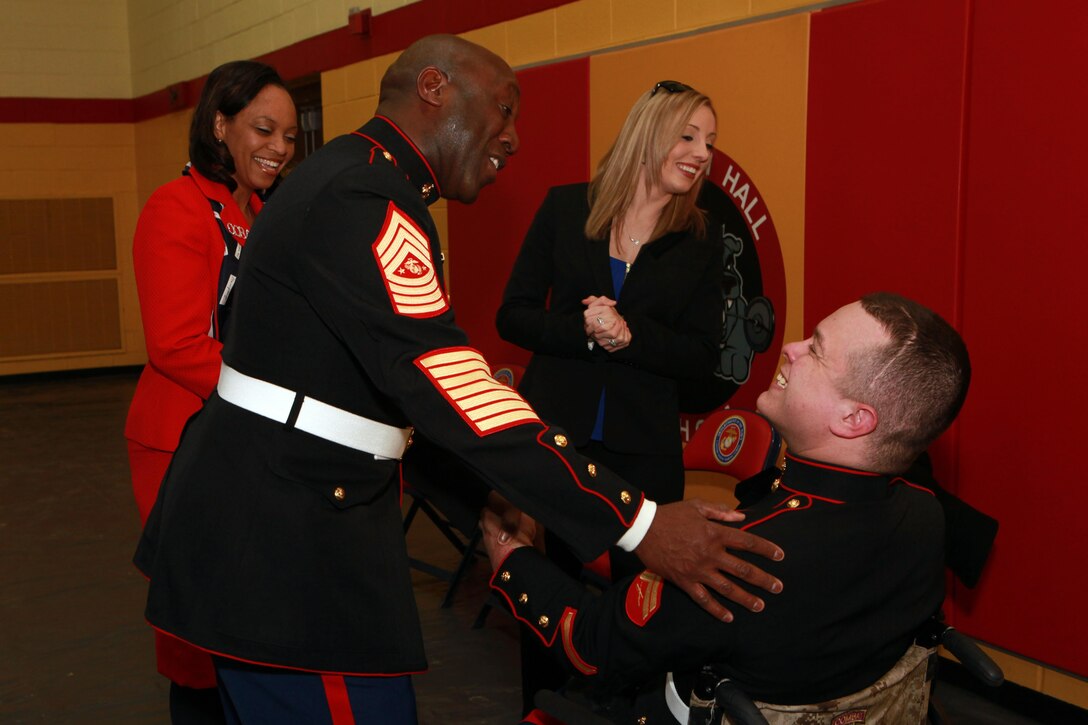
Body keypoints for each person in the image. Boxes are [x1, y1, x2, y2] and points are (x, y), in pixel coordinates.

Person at [134, 35, 785, 723]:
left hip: (268, 531)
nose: (512, 138)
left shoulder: (357, 180)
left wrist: (485, 494)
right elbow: (451, 388)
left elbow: (376, 395)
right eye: (503, 111)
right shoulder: (367, 197)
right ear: (435, 90)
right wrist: (640, 522)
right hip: (291, 556)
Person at [482, 291, 971, 723]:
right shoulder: (926, 516)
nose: (791, 349)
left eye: (815, 351)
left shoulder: (737, 556)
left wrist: (511, 554)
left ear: (853, 419)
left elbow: (588, 645)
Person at [495, 79, 722, 714]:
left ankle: (631, 712)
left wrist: (630, 338)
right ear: (650, 134)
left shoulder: (701, 237)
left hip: (644, 449)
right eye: (688, 135)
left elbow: (703, 359)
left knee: (645, 608)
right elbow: (512, 316)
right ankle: (543, 709)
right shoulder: (567, 208)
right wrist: (583, 333)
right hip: (555, 439)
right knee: (547, 591)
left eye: (709, 142)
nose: (702, 152)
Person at [124, 60, 296, 722]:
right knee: (200, 635)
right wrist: (284, 399)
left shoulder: (260, 214)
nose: (279, 147)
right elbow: (174, 345)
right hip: (182, 443)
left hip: (245, 436)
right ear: (219, 125)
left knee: (248, 625)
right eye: (262, 128)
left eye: (287, 134)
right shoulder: (176, 206)